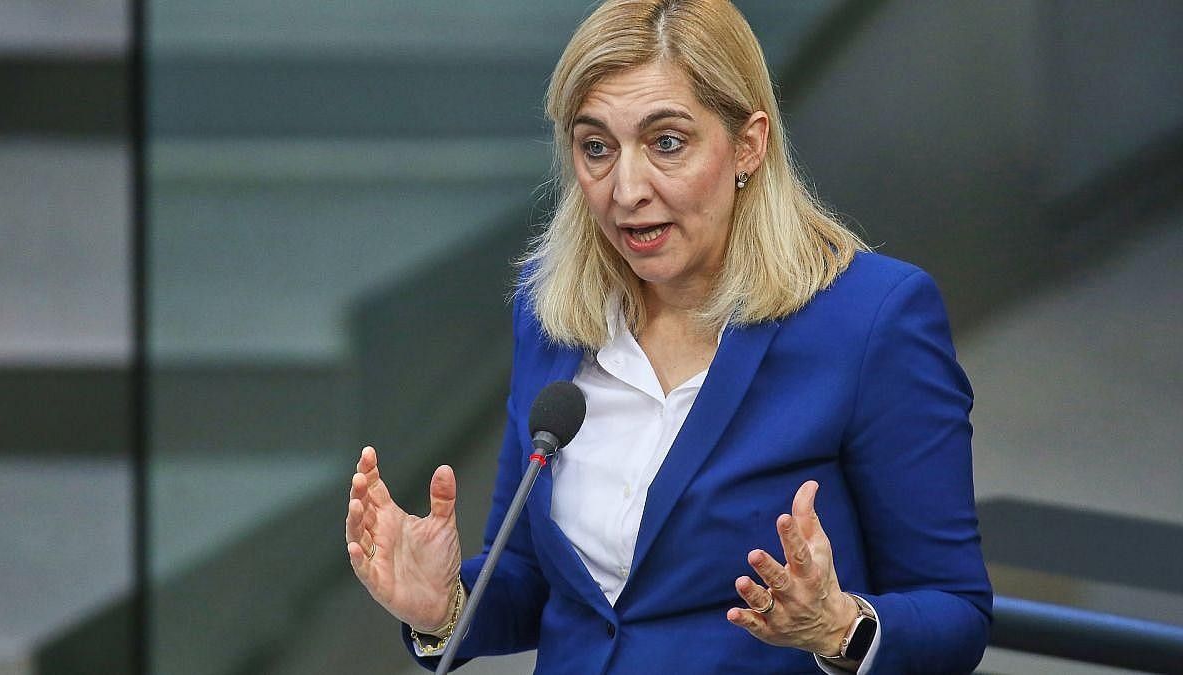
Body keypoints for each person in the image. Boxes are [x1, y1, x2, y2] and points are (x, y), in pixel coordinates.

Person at [345, 0, 992, 672]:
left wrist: (838, 628)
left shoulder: (871, 318)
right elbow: (534, 577)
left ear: (748, 144)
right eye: (597, 147)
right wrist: (444, 606)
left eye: (667, 143)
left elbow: (956, 611)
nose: (627, 189)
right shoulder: (550, 311)